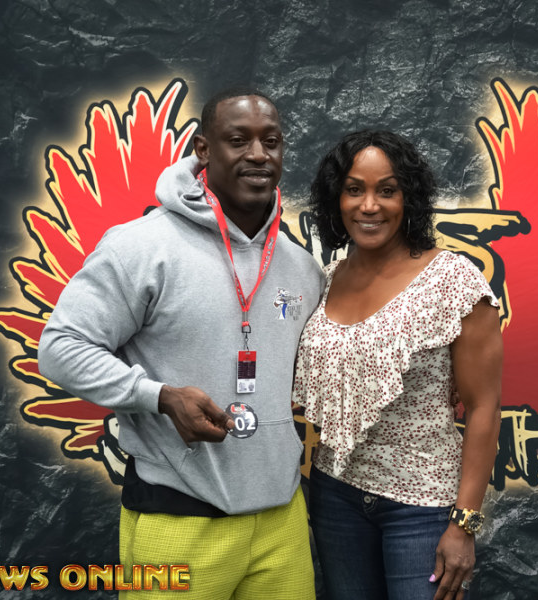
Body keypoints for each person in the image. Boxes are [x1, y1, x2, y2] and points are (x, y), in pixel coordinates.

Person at [39, 87, 324, 599]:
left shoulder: (300, 265)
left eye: (271, 141)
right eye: (238, 140)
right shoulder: (141, 246)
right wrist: (161, 396)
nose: (258, 154)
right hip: (178, 518)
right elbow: (61, 348)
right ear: (203, 150)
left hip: (282, 520)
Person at [293, 130, 502, 600]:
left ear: (409, 199)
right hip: (335, 496)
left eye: (387, 190)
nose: (369, 206)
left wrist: (464, 524)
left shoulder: (452, 280)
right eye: (354, 189)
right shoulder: (327, 279)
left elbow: (484, 409)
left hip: (423, 508)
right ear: (336, 199)